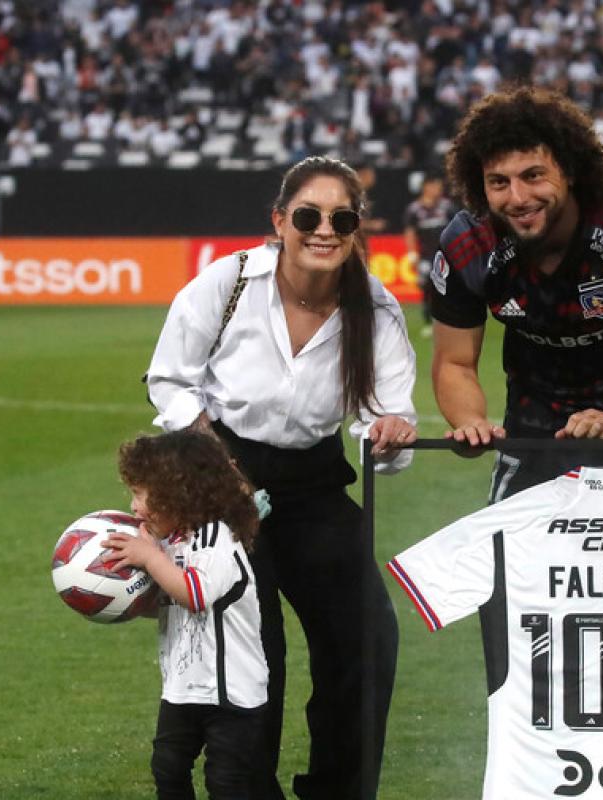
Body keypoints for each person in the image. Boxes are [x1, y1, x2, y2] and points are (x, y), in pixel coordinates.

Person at [144, 156, 417, 800]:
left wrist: (388, 436)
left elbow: (388, 419)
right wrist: (218, 465)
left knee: (367, 637)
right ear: (279, 220)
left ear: (356, 228)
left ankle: (339, 791)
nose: (324, 230)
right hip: (224, 477)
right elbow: (169, 379)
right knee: (251, 651)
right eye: (308, 216)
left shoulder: (376, 308)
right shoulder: (231, 281)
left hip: (316, 481)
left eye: (341, 219)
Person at [431, 85, 603, 502]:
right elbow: (454, 362)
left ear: (571, 169)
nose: (518, 198)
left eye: (533, 175)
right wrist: (471, 421)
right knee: (513, 548)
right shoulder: (468, 244)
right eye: (499, 182)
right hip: (534, 429)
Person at [104, 429, 267, 800]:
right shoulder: (172, 542)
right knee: (167, 768)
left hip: (230, 693)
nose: (134, 507)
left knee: (226, 783)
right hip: (183, 687)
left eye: (140, 494)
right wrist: (123, 599)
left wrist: (150, 558)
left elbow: (194, 595)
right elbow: (170, 601)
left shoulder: (216, 538)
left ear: (178, 492)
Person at [401, 173, 456, 336]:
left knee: (449, 288)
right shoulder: (414, 210)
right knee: (427, 288)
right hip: (426, 256)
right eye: (435, 185)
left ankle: (451, 321)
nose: (438, 189)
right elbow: (410, 232)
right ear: (426, 187)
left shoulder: (447, 207)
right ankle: (429, 322)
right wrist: (412, 254)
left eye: (440, 185)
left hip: (446, 255)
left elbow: (456, 229)